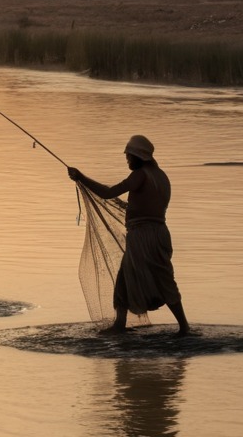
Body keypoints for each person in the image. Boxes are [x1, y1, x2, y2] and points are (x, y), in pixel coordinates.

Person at [67, 135, 190, 336]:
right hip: (159, 234)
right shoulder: (161, 176)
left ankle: (184, 327)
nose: (127, 161)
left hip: (143, 236)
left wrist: (81, 177)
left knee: (161, 279)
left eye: (129, 157)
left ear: (137, 157)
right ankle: (121, 324)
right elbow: (144, 206)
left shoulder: (140, 175)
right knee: (128, 278)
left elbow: (109, 193)